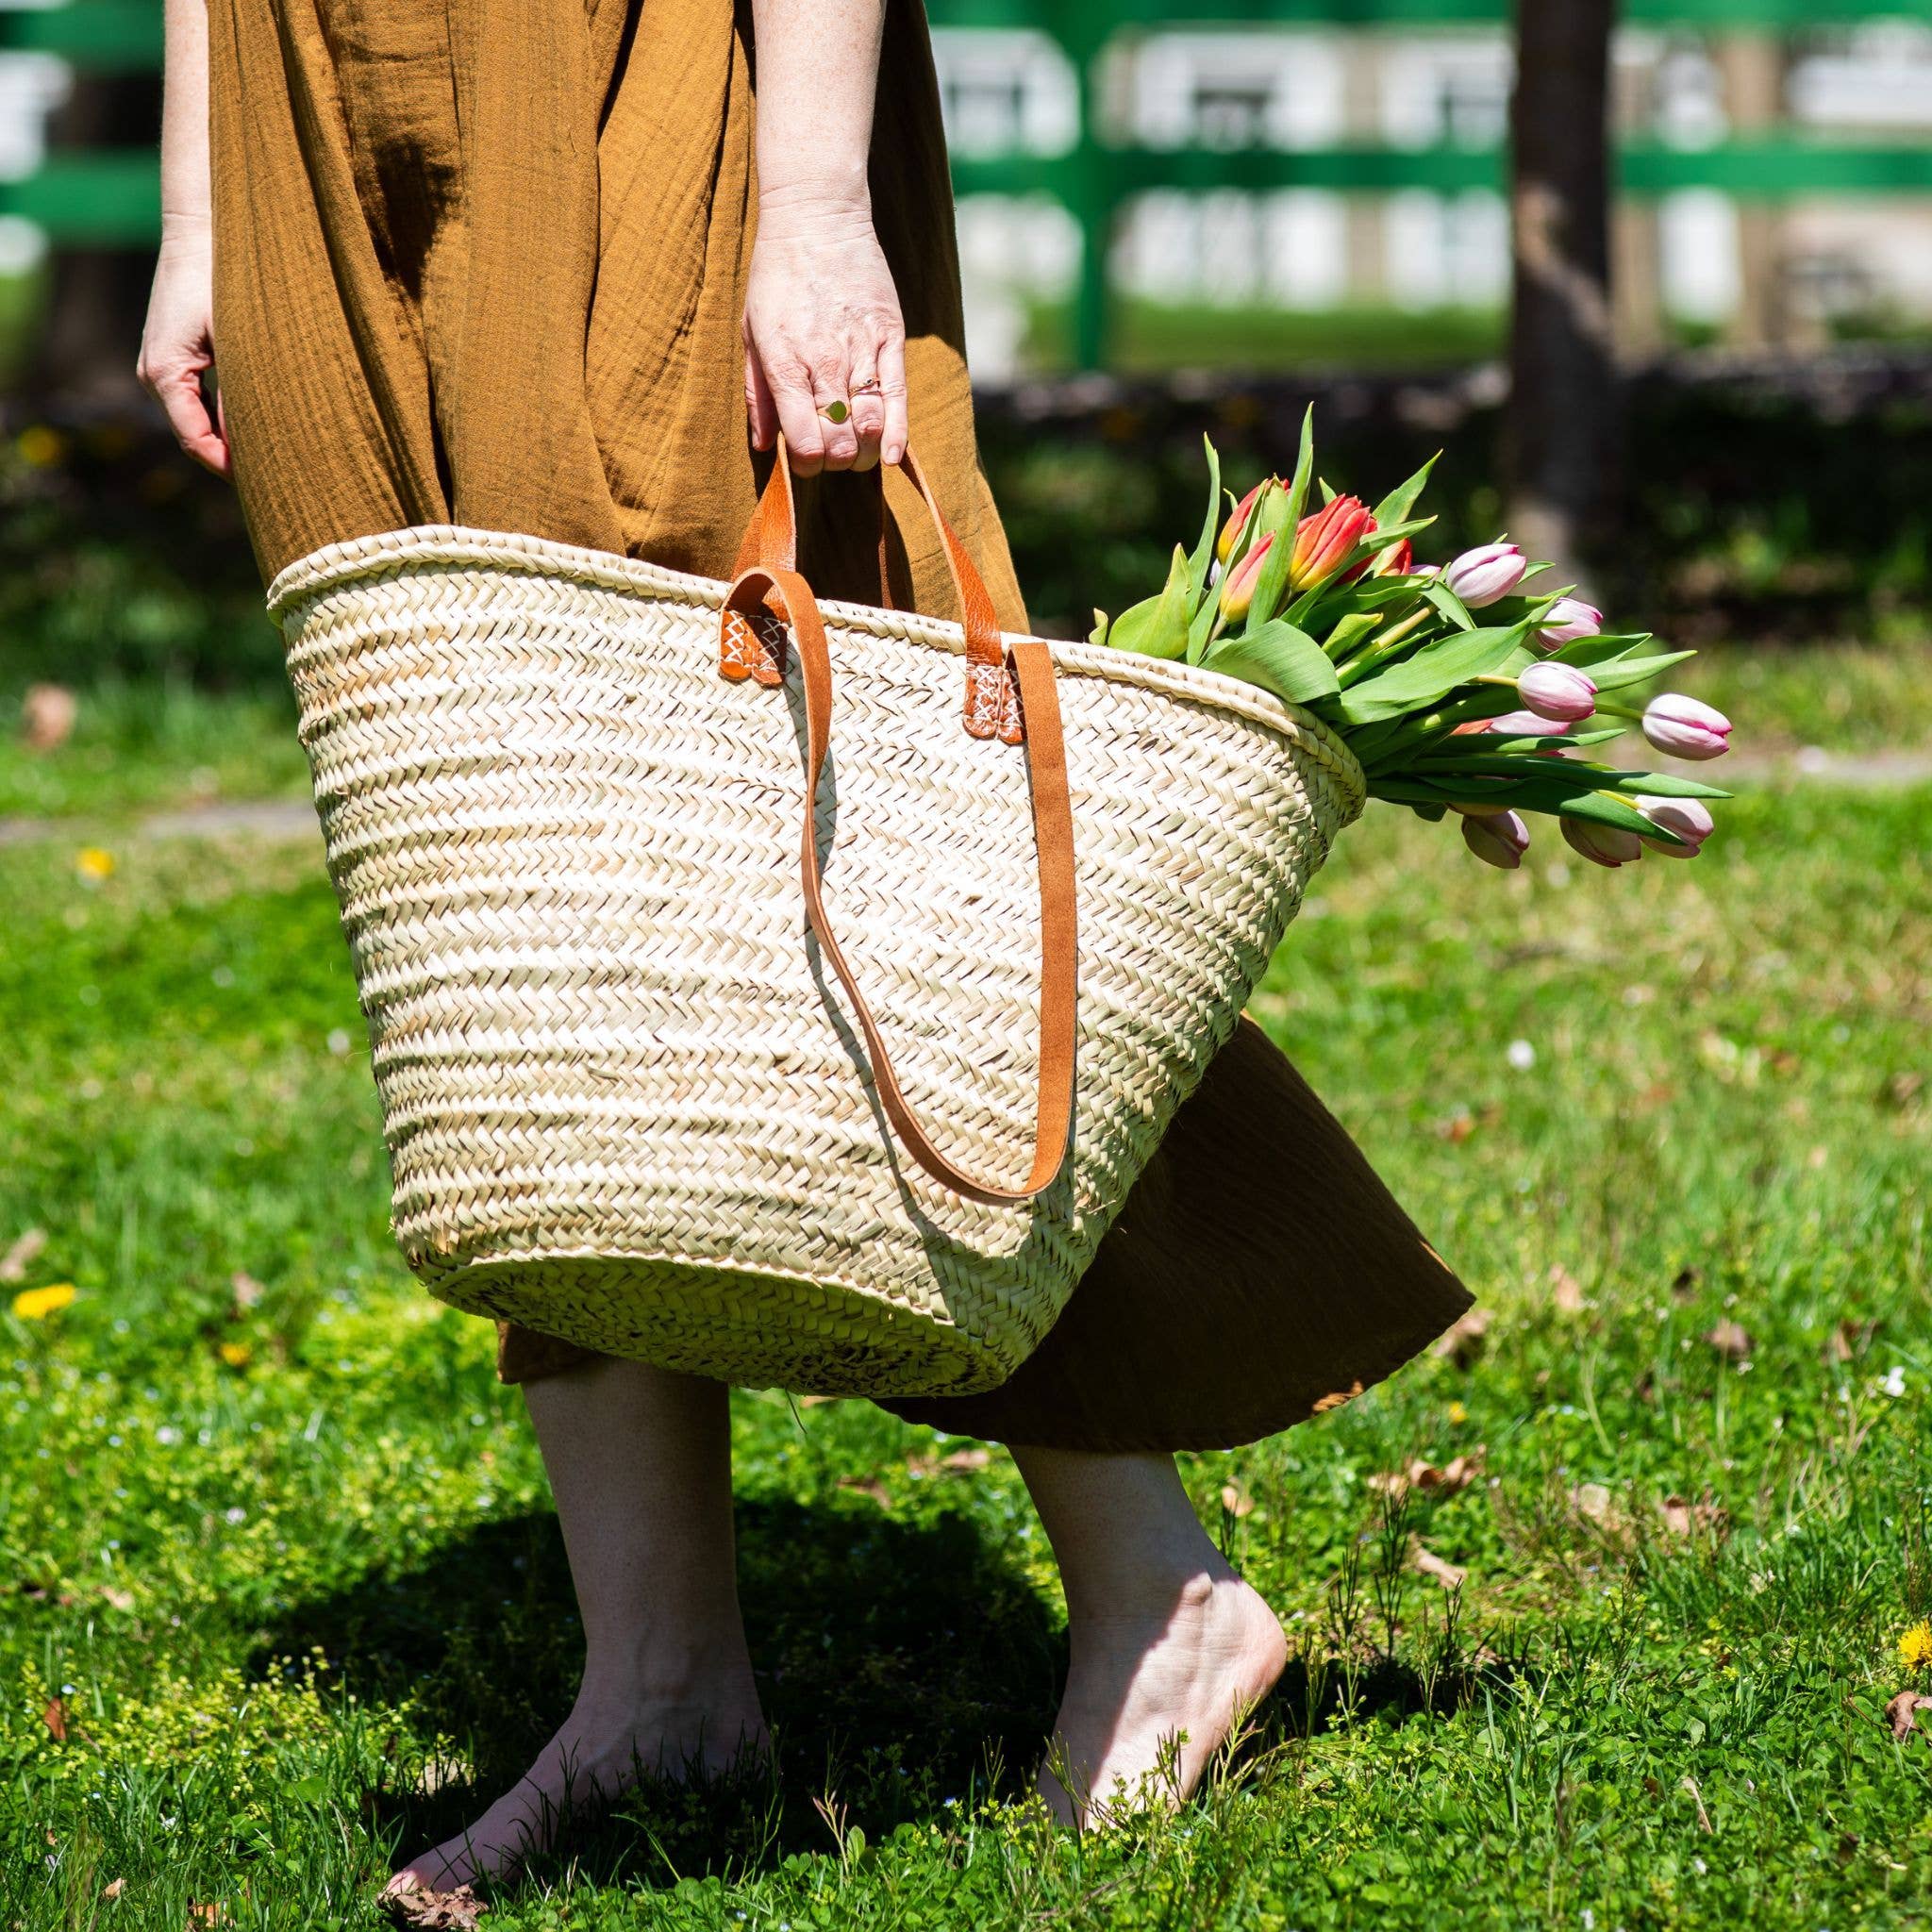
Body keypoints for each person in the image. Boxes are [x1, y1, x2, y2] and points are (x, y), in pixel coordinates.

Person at [140, 0, 1473, 1897]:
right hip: (297, 82)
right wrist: (204, 197)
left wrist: (817, 195)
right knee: (509, 847)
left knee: (763, 772)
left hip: (627, 56)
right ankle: (662, 1681)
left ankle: (1152, 1585)